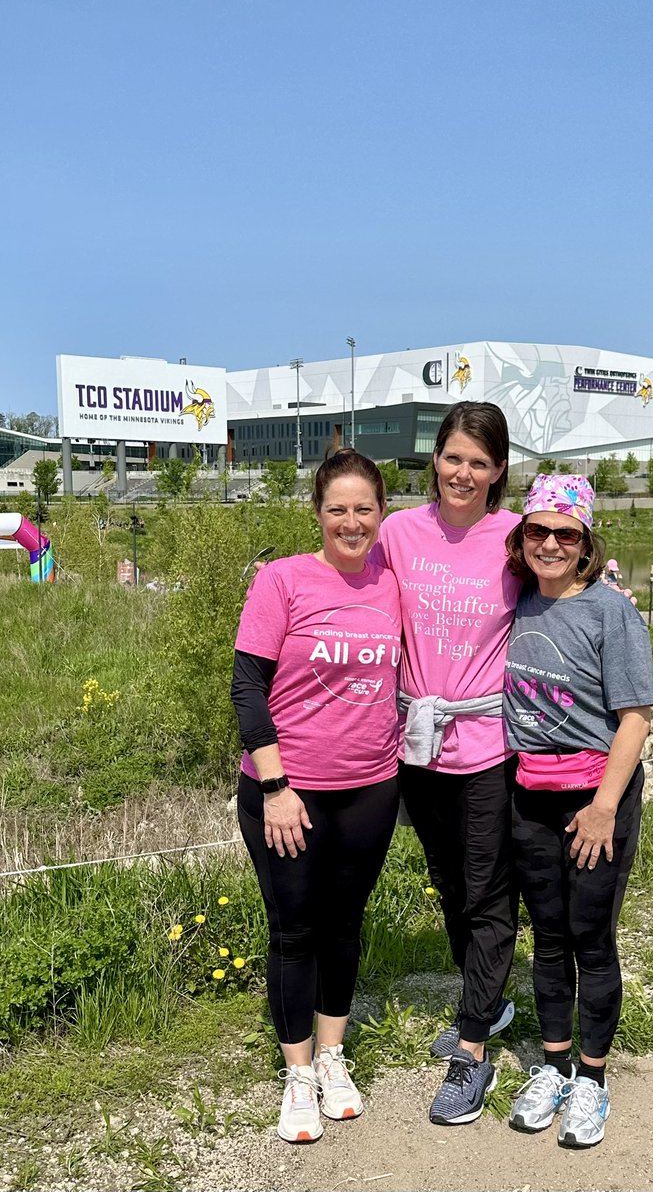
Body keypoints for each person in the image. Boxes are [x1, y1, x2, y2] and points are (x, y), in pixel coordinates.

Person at [230, 449, 402, 1144]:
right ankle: (297, 1072)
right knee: (295, 928)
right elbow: (247, 687)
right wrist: (274, 785)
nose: (352, 522)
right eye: (338, 509)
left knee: (343, 925)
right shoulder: (284, 580)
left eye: (365, 508)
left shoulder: (391, 584)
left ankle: (333, 1057)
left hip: (370, 789)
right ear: (318, 514)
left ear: (382, 514)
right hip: (287, 791)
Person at [376, 402, 521, 1126]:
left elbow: (564, 595)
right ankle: (486, 1004)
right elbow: (359, 600)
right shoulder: (400, 532)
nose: (463, 473)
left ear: (499, 471)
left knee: (490, 892)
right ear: (434, 459)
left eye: (480, 461)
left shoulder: (515, 538)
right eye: (452, 457)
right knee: (448, 883)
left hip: (489, 744)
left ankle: (472, 1053)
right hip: (419, 743)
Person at [502, 474, 653, 1149]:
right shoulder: (516, 603)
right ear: (523, 536)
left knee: (592, 940)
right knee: (549, 938)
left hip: (598, 797)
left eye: (567, 532)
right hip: (530, 796)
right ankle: (554, 1064)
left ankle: (592, 1080)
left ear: (587, 540)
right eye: (539, 530)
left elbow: (635, 717)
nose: (552, 543)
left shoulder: (610, 611)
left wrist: (603, 808)